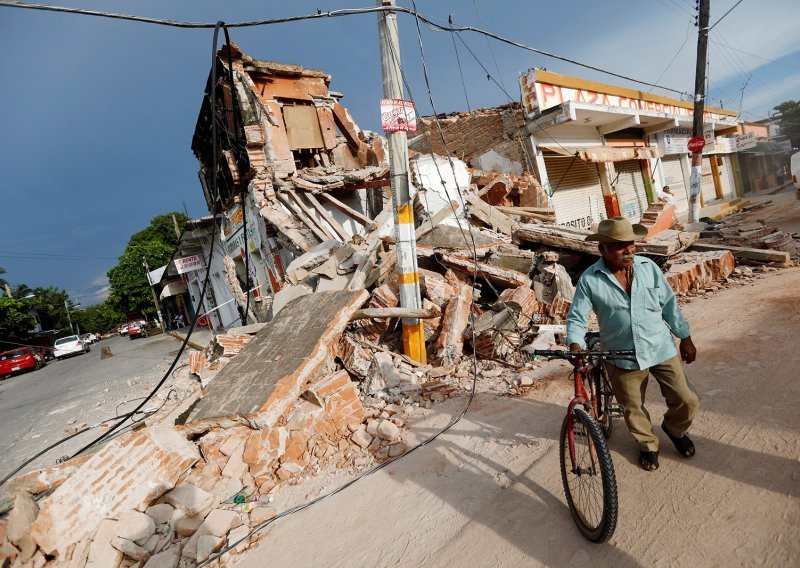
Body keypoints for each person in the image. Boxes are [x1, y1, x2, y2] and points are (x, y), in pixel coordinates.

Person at [566, 217, 699, 472]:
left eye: (630, 244)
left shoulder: (649, 268)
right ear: (602, 249)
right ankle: (648, 446)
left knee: (687, 399)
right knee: (633, 407)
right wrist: (575, 344)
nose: (628, 250)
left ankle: (674, 428)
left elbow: (669, 305)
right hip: (621, 354)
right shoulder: (590, 279)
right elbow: (577, 316)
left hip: (659, 346)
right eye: (619, 246)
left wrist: (686, 337)